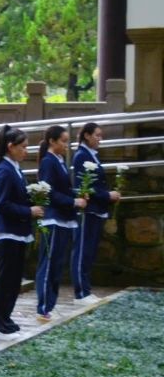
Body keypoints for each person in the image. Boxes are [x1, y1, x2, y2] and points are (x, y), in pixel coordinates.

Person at [0, 125, 44, 342]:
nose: (26, 151)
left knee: (13, 279)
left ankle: (6, 319)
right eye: (22, 146)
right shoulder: (4, 170)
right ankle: (0, 322)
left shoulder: (15, 168)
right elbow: (1, 204)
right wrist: (28, 211)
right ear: (10, 147)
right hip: (7, 232)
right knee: (5, 279)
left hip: (17, 232)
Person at [35, 125, 84, 322]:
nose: (66, 145)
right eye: (63, 141)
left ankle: (49, 305)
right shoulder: (48, 162)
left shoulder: (59, 161)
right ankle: (44, 307)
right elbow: (49, 191)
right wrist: (72, 201)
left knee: (56, 265)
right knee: (49, 265)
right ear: (52, 141)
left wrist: (76, 195)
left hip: (64, 218)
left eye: (67, 141)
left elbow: (62, 189)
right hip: (54, 219)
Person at [71, 122, 120, 305]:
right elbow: (86, 187)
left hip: (96, 210)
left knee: (89, 252)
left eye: (101, 135)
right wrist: (107, 195)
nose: (100, 139)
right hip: (87, 211)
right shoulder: (82, 156)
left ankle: (85, 289)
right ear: (87, 136)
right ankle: (80, 292)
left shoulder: (91, 155)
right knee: (82, 251)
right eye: (97, 135)